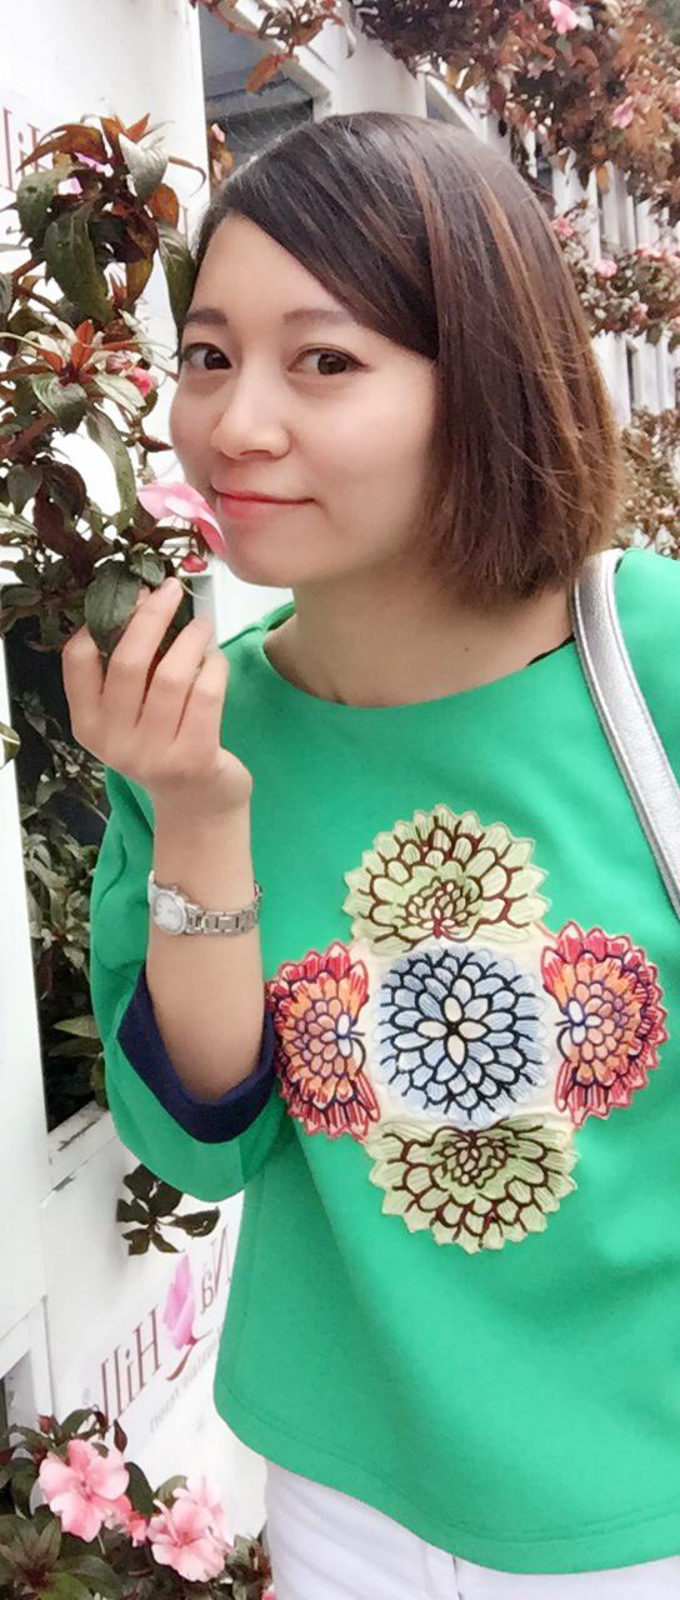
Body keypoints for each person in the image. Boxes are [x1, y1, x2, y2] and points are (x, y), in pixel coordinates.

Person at [62, 112, 680, 1599]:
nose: (236, 423)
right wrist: (201, 817)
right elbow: (200, 1143)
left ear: (488, 379)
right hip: (346, 1493)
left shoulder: (649, 660)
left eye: (324, 361)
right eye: (208, 355)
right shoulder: (196, 727)